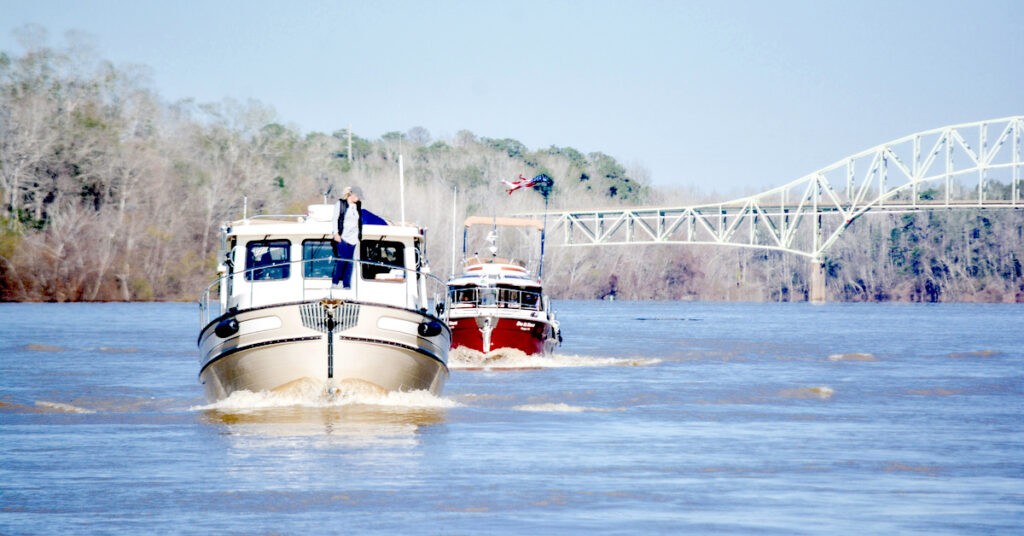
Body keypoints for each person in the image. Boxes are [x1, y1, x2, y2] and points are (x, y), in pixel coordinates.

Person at [332, 186, 387, 288]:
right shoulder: (340, 204)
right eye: (358, 197)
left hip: (353, 237)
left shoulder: (358, 205)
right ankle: (335, 281)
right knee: (342, 258)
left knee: (350, 261)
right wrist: (336, 233)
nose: (359, 199)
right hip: (342, 236)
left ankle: (346, 284)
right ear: (352, 195)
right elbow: (335, 219)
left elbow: (359, 221)